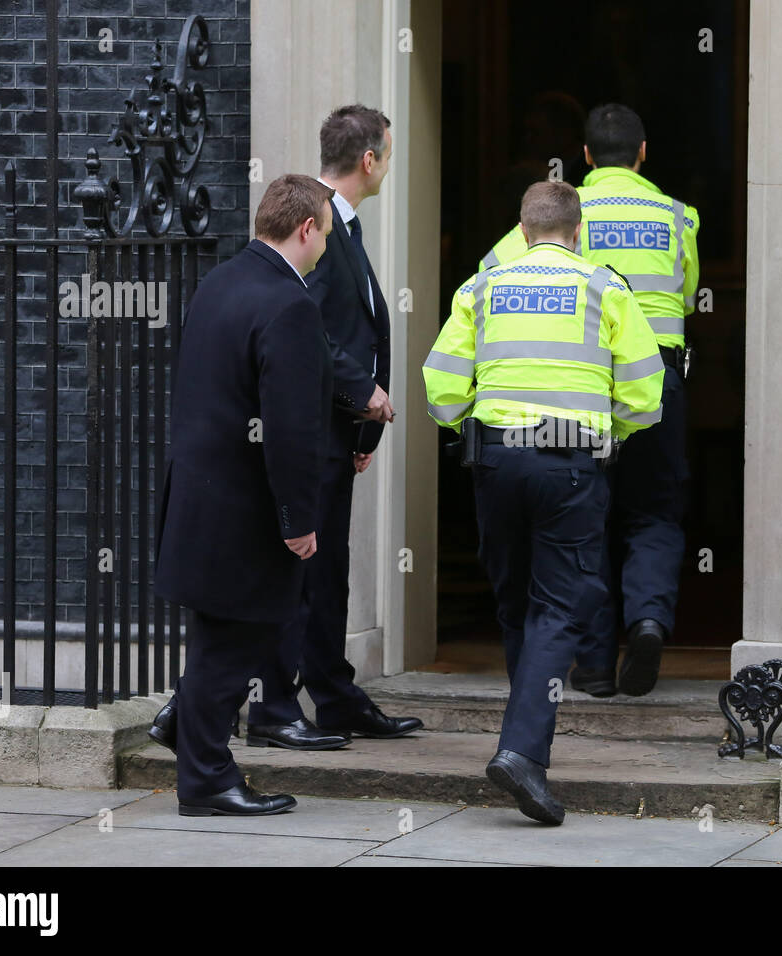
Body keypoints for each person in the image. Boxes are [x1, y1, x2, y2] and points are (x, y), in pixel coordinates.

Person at [424, 181, 663, 824]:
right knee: (559, 604)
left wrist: (477, 425)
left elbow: (441, 389)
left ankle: (521, 732)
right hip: (571, 465)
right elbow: (646, 394)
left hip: (497, 460)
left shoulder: (480, 287)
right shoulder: (604, 287)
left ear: (523, 230)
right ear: (577, 230)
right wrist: (608, 428)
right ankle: (522, 751)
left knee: (514, 600)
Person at [480, 103, 700, 699]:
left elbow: (491, 274)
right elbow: (684, 297)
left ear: (583, 156)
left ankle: (596, 665)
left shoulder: (565, 209)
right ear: (643, 152)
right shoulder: (678, 216)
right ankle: (648, 619)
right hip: (656, 382)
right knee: (653, 511)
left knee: (587, 518)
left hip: (582, 386)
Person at [153, 174, 335, 815]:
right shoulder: (290, 304)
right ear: (306, 227)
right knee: (237, 642)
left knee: (224, 637)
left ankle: (186, 727)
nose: (324, 249)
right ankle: (205, 778)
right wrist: (298, 517)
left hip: (202, 497)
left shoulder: (219, 284)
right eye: (324, 236)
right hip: (247, 508)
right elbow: (290, 428)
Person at [244, 104, 422, 746]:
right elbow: (306, 324)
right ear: (368, 160)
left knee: (328, 573)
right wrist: (360, 391)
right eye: (388, 156)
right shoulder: (317, 225)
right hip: (309, 431)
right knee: (300, 571)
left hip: (335, 433)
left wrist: (359, 428)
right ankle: (273, 709)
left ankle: (335, 695)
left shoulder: (343, 225)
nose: (386, 168)